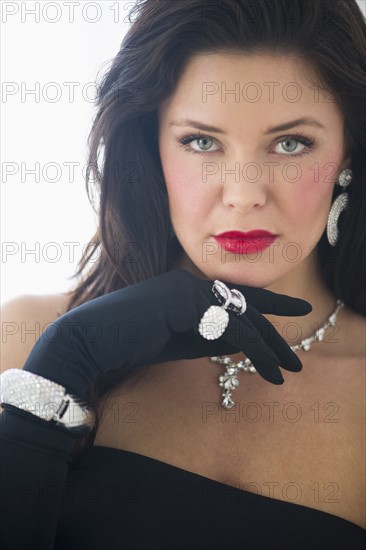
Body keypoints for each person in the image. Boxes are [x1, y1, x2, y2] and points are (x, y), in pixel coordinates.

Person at [1, 0, 365, 548]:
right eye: (202, 142)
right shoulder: (28, 342)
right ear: (152, 151)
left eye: (291, 144)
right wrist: (60, 369)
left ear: (347, 157)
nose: (243, 196)